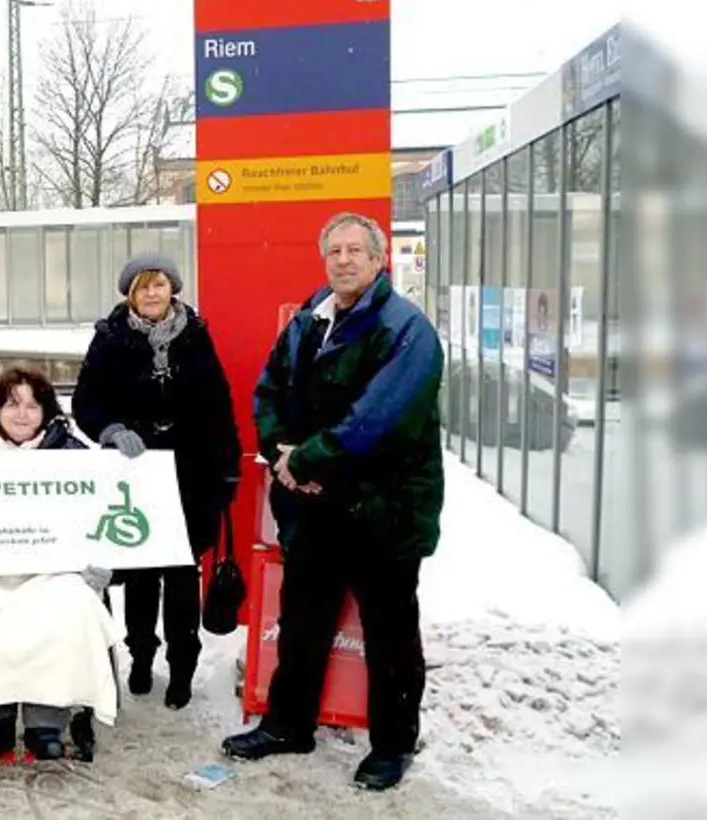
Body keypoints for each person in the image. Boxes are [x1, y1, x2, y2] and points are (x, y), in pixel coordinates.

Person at [221, 211, 444, 792]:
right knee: (302, 621)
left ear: (378, 259)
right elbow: (267, 389)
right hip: (315, 504)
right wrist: (281, 453)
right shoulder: (307, 319)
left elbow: (380, 420)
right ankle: (288, 724)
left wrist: (307, 459)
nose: (343, 260)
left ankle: (393, 745)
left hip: (385, 510)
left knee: (391, 633)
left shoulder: (407, 329)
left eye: (355, 251)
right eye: (334, 252)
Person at [0, 365, 123, 761]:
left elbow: (99, 512)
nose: (23, 414)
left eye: (33, 405)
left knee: (72, 609)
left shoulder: (71, 451)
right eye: (13, 404)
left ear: (47, 412)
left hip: (54, 569)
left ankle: (45, 720)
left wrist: (100, 563)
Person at [71, 254, 242, 710]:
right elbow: (86, 402)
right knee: (143, 577)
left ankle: (183, 667)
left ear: (173, 290)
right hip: (136, 476)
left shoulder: (196, 337)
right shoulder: (109, 340)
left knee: (183, 578)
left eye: (160, 284)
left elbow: (218, 407)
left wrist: (227, 469)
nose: (151, 293)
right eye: (143, 286)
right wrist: (111, 430)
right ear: (130, 293)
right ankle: (142, 657)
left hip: (189, 476)